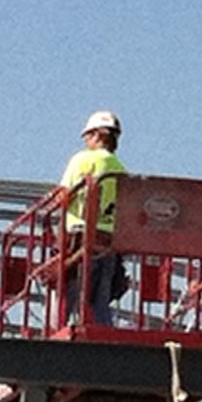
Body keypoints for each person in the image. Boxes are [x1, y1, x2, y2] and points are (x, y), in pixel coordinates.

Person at [59, 110, 126, 326]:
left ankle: (59, 332)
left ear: (97, 135)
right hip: (108, 240)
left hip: (80, 236)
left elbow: (63, 196)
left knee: (69, 292)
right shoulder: (120, 169)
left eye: (88, 136)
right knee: (100, 296)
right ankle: (102, 335)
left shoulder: (82, 160)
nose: (86, 141)